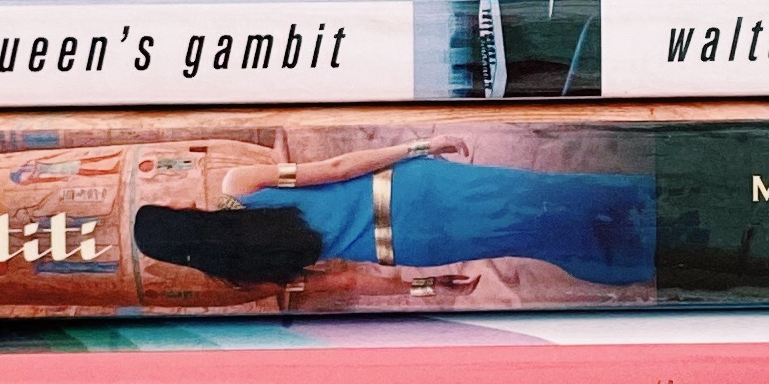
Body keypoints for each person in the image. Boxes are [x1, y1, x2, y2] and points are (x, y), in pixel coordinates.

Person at [135, 144, 656, 295]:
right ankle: (647, 199)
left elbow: (346, 280)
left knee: (527, 235)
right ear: (178, 214)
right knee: (538, 195)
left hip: (412, 243)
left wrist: (427, 284)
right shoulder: (239, 186)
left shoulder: (243, 275)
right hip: (409, 191)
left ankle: (636, 258)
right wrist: (418, 146)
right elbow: (335, 169)